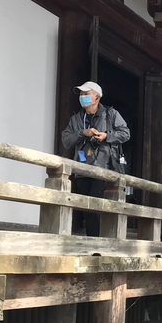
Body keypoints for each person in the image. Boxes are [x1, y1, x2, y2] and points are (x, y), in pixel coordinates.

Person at [60, 81, 130, 236]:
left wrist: (106, 136)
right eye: (80, 94)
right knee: (86, 208)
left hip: (104, 168)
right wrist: (82, 133)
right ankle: (93, 240)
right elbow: (66, 140)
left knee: (95, 205)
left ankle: (99, 241)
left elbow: (125, 134)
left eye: (86, 94)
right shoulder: (77, 118)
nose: (82, 97)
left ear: (97, 97)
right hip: (82, 168)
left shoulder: (111, 114)